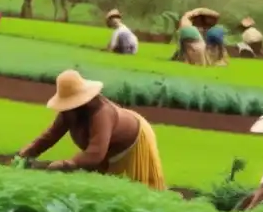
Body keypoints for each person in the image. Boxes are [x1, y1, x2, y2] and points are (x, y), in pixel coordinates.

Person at [17, 70, 165, 191]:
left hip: (133, 141)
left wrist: (67, 164)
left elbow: (95, 153)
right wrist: (29, 151)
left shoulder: (102, 114)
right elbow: (51, 135)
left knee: (141, 189)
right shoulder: (68, 113)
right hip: (106, 150)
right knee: (100, 187)